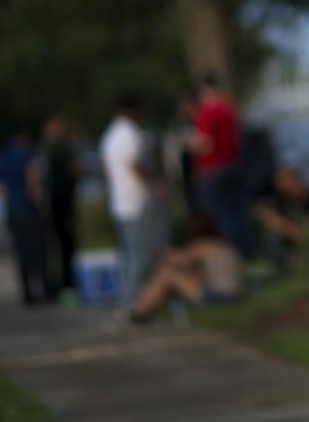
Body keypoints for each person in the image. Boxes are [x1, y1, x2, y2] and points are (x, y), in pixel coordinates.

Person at [129, 218, 243, 323]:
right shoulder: (224, 245)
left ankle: (140, 311)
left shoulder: (204, 245)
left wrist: (163, 252)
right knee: (174, 273)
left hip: (219, 296)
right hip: (233, 294)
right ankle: (143, 308)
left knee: (167, 274)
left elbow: (180, 259)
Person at [100, 95, 155, 312]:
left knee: (127, 253)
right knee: (139, 254)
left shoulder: (108, 136)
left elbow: (105, 169)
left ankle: (128, 298)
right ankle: (132, 303)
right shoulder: (130, 133)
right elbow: (135, 164)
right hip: (135, 200)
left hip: (118, 202)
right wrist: (153, 179)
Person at [190, 75, 254, 258]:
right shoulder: (230, 109)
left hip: (214, 169)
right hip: (234, 165)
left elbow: (205, 143)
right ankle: (246, 252)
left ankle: (233, 256)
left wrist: (192, 144)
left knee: (222, 216)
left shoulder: (208, 112)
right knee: (239, 213)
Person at [0, 126, 51, 305]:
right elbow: (34, 178)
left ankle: (26, 293)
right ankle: (43, 290)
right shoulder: (26, 154)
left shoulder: (2, 156)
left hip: (13, 211)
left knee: (20, 253)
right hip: (28, 210)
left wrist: (8, 196)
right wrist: (39, 203)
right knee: (38, 252)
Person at [42, 112, 81, 295]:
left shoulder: (48, 149)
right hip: (61, 201)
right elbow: (75, 169)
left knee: (61, 245)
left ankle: (64, 283)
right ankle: (67, 284)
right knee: (65, 244)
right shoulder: (60, 149)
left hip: (58, 201)